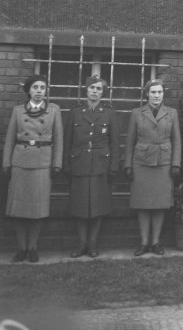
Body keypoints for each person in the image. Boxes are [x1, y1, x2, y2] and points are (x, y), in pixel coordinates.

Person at [2, 75, 63, 263]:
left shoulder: (53, 110)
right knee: (18, 208)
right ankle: (21, 248)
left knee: (38, 208)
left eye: (42, 87)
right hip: (20, 161)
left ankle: (33, 248)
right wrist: (6, 162)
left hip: (42, 162)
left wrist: (57, 163)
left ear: (46, 91)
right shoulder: (18, 111)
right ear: (29, 90)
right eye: (35, 87)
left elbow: (59, 139)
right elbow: (10, 138)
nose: (39, 91)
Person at [63, 75, 120, 257]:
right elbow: (67, 140)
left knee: (98, 206)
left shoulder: (109, 113)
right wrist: (66, 164)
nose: (95, 92)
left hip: (100, 165)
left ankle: (93, 243)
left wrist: (113, 167)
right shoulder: (75, 112)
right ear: (86, 90)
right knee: (79, 206)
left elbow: (115, 142)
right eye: (92, 88)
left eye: (99, 89)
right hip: (79, 164)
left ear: (103, 93)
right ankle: (81, 244)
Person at [124, 79, 181, 256]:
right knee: (142, 203)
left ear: (163, 94)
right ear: (147, 94)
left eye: (160, 92)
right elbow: (130, 141)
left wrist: (175, 163)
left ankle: (155, 242)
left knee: (159, 204)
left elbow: (176, 140)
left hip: (163, 162)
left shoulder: (172, 113)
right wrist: (128, 164)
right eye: (153, 92)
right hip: (141, 162)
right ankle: (143, 243)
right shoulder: (136, 113)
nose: (156, 96)